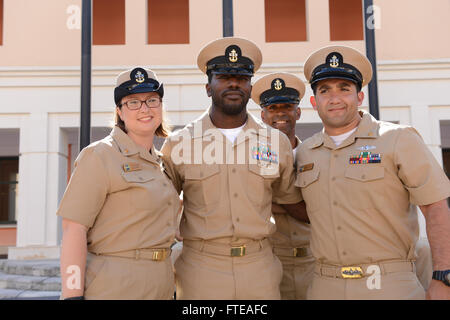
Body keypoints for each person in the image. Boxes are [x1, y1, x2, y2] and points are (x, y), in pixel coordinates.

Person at [295, 45, 450, 299]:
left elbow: (436, 207)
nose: (334, 99)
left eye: (344, 89)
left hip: (389, 285)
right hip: (325, 286)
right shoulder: (305, 153)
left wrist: (443, 275)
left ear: (359, 97)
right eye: (325, 91)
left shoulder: (398, 139)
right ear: (314, 102)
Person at [161, 37, 303, 299]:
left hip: (259, 268)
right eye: (224, 76)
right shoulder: (179, 144)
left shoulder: (276, 142)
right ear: (208, 87)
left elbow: (294, 202)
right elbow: (156, 204)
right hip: (200, 271)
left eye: (242, 77)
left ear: (250, 87)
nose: (234, 83)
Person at [57, 67, 181, 300]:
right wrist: (71, 294)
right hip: (115, 286)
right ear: (119, 112)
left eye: (152, 100)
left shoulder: (162, 163)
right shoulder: (99, 155)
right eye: (133, 102)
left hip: (161, 283)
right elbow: (74, 228)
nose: (145, 108)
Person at [251, 72, 314, 299]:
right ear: (263, 115)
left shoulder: (316, 154)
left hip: (314, 261)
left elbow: (324, 205)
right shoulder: (251, 157)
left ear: (297, 112)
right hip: (271, 259)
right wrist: (299, 204)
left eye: (286, 107)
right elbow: (248, 203)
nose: (280, 114)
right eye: (273, 108)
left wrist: (273, 199)